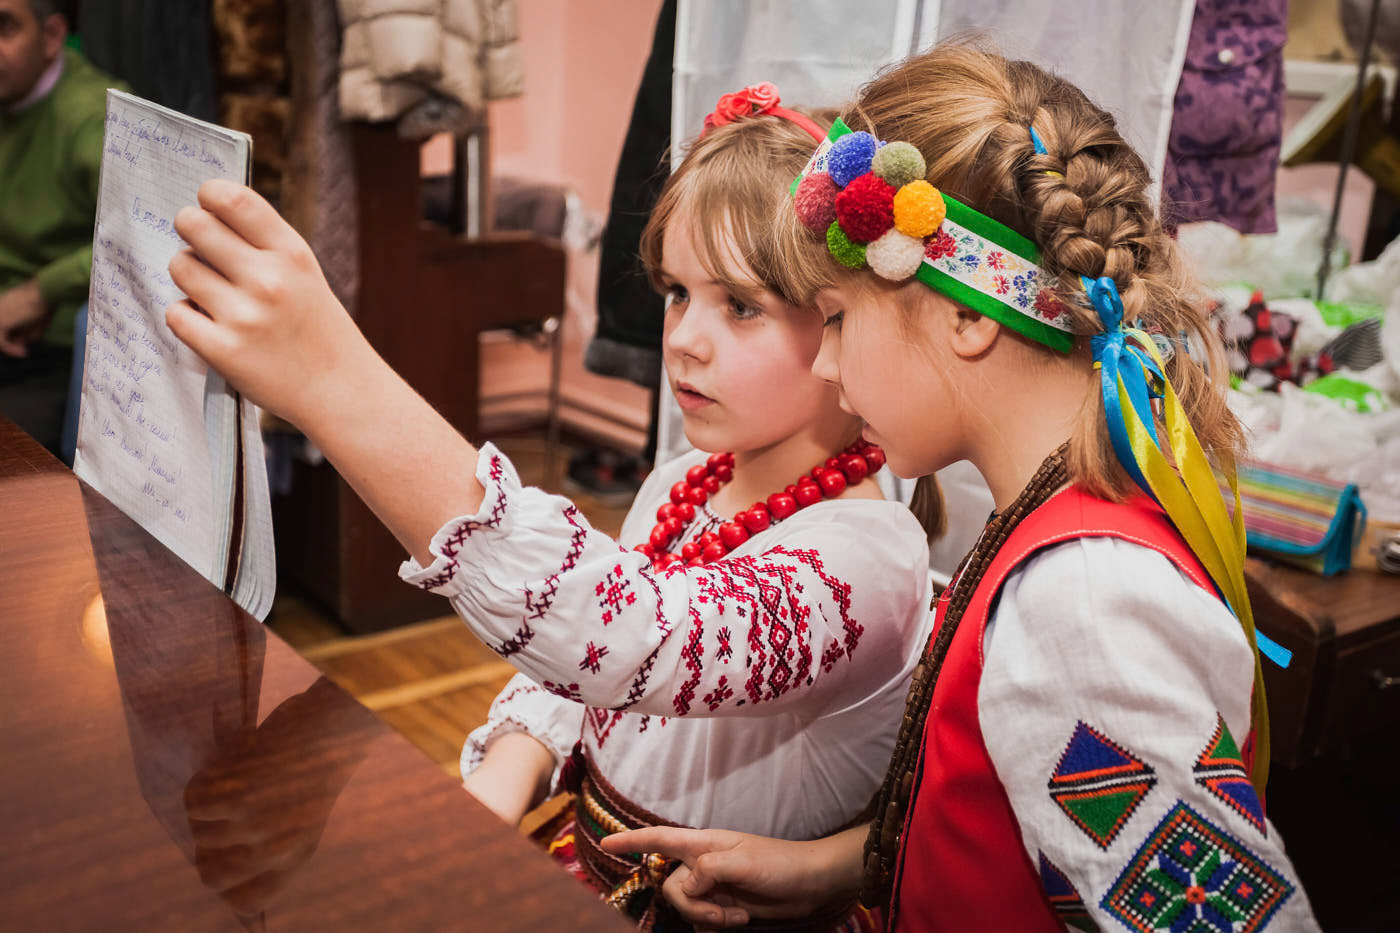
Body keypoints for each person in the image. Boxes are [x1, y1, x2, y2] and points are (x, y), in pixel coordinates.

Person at [161, 83, 937, 929]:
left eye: (740, 305)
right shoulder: (683, 480)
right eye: (678, 293)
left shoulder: (869, 560)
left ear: (842, 322)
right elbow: (592, 684)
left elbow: (635, 638)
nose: (683, 338)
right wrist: (514, 766)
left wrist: (332, 381)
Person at [602, 44, 1321, 931]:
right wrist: (829, 866)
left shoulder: (1085, 601)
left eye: (836, 318)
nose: (824, 362)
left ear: (970, 315)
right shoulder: (1054, 524)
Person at [0, 0, 121, 459]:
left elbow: (145, 234)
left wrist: (40, 292)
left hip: (55, 349)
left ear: (51, 37)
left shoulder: (92, 117)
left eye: (4, 27)